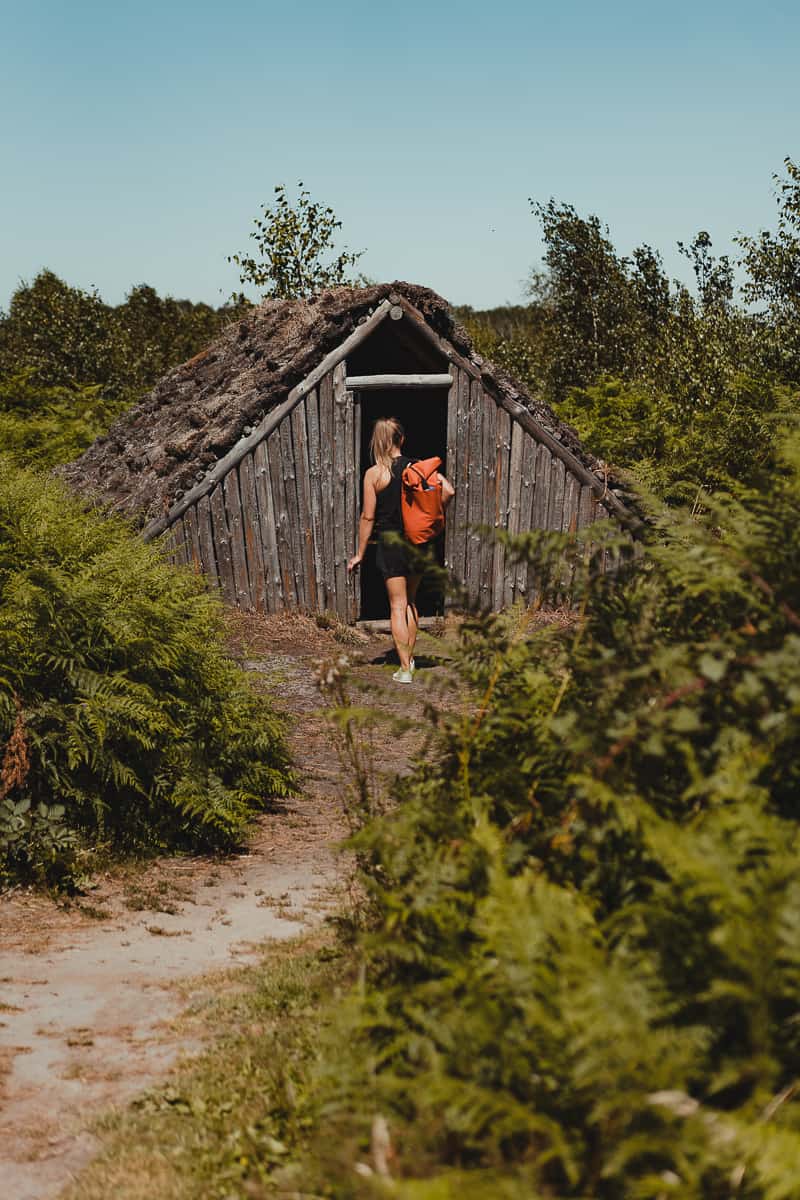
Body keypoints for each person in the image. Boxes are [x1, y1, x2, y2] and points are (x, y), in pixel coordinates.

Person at [347, 417, 454, 684]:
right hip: (418, 542)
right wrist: (434, 517)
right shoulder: (418, 468)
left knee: (396, 605)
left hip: (391, 543)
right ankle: (410, 659)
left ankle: (405, 667)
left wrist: (360, 552)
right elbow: (448, 490)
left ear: (379, 440)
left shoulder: (374, 474)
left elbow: (368, 517)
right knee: (411, 602)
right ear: (401, 439)